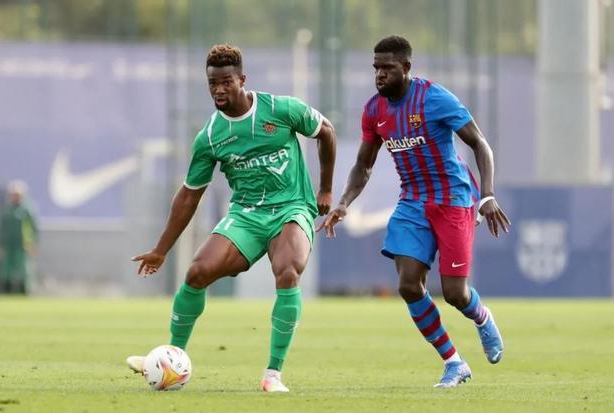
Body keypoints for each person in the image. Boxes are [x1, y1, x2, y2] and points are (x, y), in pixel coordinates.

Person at [127, 44, 336, 393]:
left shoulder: (281, 109)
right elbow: (189, 195)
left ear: (242, 79)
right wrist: (161, 249)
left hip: (291, 207)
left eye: (226, 82)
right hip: (247, 215)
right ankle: (170, 357)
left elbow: (326, 131)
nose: (219, 90)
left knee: (287, 270)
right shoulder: (210, 136)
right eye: (212, 84)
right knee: (196, 273)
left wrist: (326, 189)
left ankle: (273, 374)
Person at [318, 35, 511, 388]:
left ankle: (482, 319)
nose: (379, 75)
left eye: (387, 68)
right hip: (413, 201)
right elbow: (364, 165)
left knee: (454, 294)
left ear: (406, 68)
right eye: (375, 68)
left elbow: (479, 143)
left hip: (453, 198)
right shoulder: (374, 110)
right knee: (408, 284)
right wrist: (344, 202)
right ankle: (454, 362)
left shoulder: (434, 98)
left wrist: (488, 195)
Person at [0, 181, 38, 294]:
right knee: (6, 269)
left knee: (24, 269)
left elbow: (34, 227)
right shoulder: (6, 210)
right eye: (14, 194)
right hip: (9, 244)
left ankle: (25, 290)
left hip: (22, 245)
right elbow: (1, 229)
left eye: (18, 194)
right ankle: (6, 290)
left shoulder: (26, 209)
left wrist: (32, 243)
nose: (16, 196)